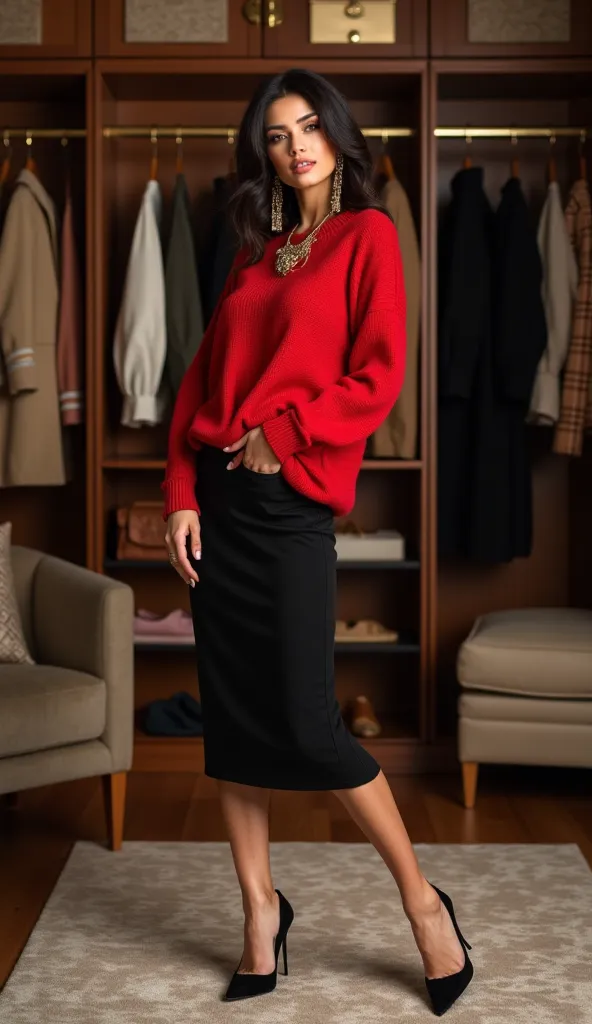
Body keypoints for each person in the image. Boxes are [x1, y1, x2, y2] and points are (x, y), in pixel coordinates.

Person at [162, 67, 473, 1015]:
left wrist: (280, 434)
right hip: (219, 502)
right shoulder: (257, 254)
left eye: (308, 127)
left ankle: (424, 906)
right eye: (276, 134)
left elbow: (376, 380)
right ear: (262, 151)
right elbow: (195, 390)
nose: (295, 146)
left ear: (336, 134)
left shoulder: (368, 236)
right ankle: (260, 914)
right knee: (235, 723)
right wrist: (182, 494)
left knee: (305, 719)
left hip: (291, 504)